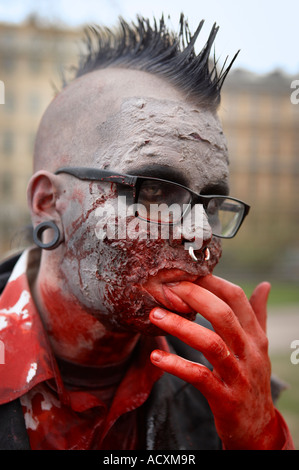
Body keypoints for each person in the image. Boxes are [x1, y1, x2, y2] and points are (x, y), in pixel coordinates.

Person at [0, 14, 294, 450]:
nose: (200, 236)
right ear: (48, 203)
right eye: (154, 191)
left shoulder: (228, 393)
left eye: (211, 205)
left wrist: (260, 437)